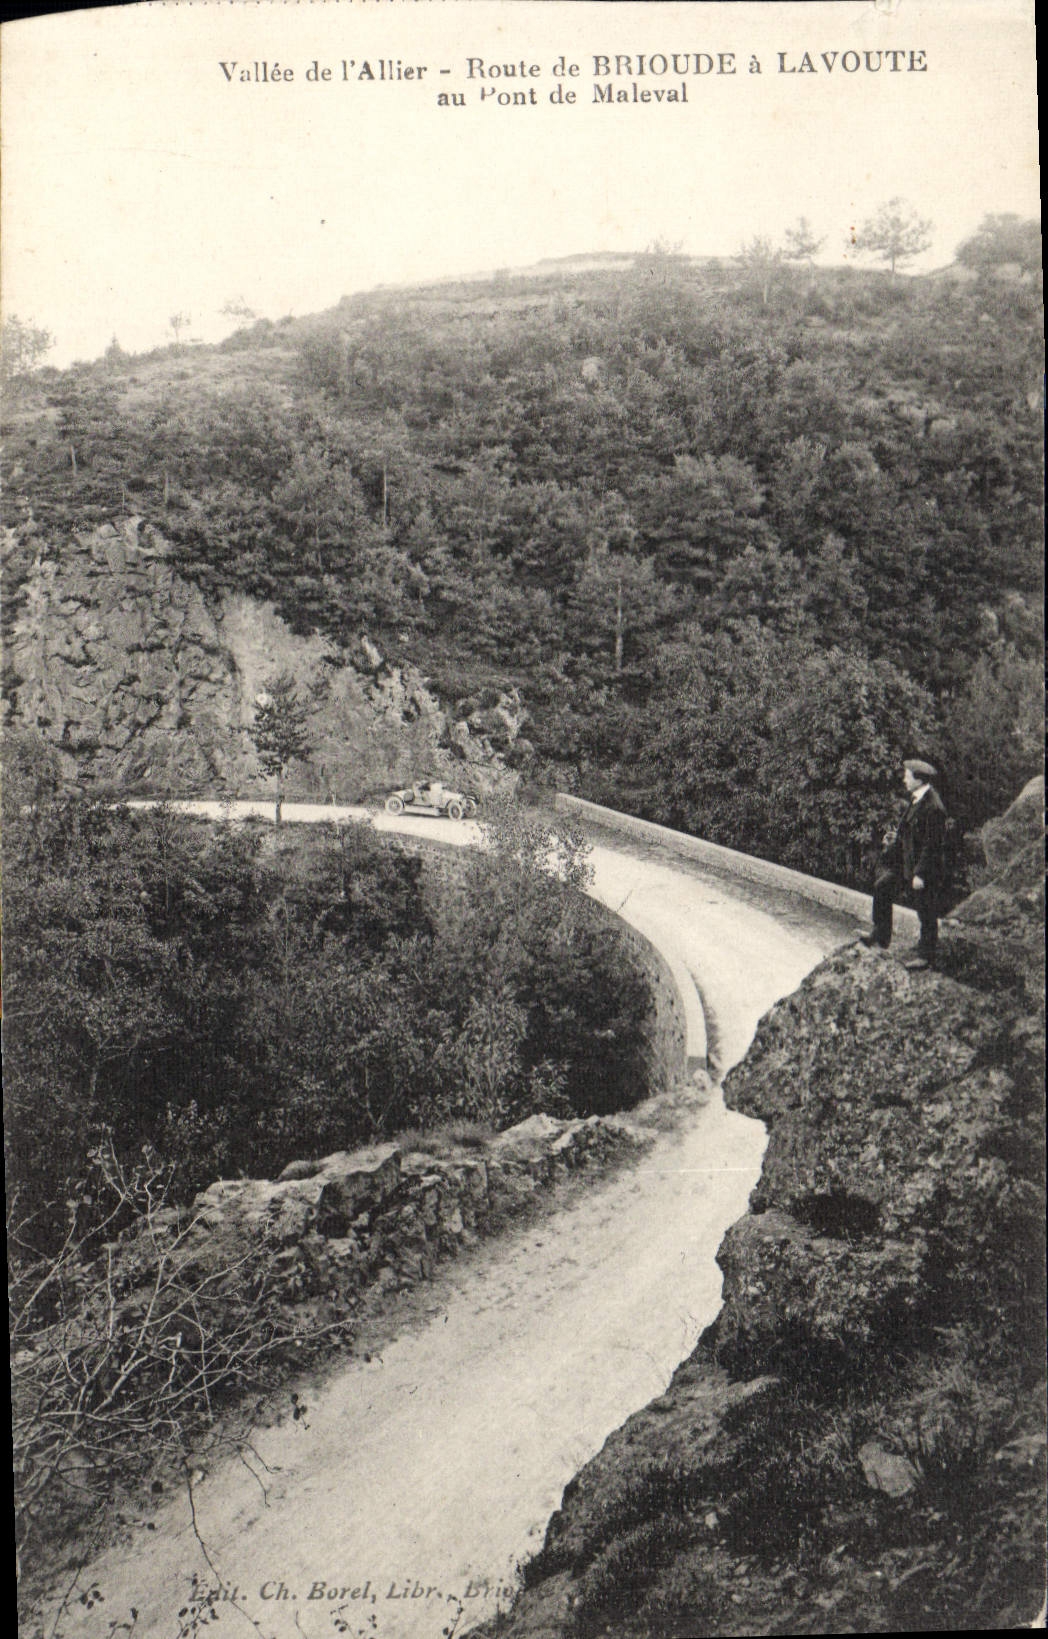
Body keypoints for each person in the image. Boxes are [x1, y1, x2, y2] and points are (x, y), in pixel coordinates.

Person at [861, 758, 948, 970]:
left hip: (925, 869)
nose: (904, 780)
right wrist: (895, 839)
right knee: (882, 887)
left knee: (926, 911)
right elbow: (911, 832)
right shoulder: (918, 798)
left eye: (907, 776)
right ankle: (880, 936)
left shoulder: (934, 807)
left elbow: (932, 845)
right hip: (908, 864)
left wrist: (920, 874)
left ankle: (926, 956)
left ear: (919, 780)